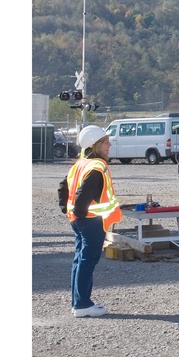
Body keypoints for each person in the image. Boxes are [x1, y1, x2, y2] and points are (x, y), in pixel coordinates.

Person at [65, 125, 122, 317]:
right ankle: (82, 305)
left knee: (79, 260)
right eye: (105, 142)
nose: (109, 144)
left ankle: (78, 302)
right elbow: (83, 194)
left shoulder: (80, 164)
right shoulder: (97, 167)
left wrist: (70, 211)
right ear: (95, 145)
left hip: (79, 220)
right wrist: (80, 212)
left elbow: (61, 188)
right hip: (90, 221)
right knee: (86, 261)